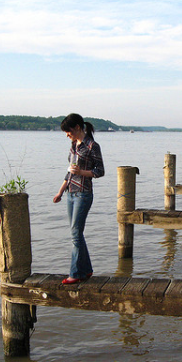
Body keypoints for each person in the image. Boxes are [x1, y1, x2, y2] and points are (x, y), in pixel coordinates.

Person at [53, 113, 105, 284]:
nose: (67, 135)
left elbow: (100, 171)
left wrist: (81, 172)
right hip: (70, 193)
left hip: (84, 193)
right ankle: (87, 270)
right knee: (76, 233)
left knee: (75, 233)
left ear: (77, 128)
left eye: (68, 131)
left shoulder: (92, 146)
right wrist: (60, 192)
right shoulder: (74, 145)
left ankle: (75, 274)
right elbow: (69, 171)